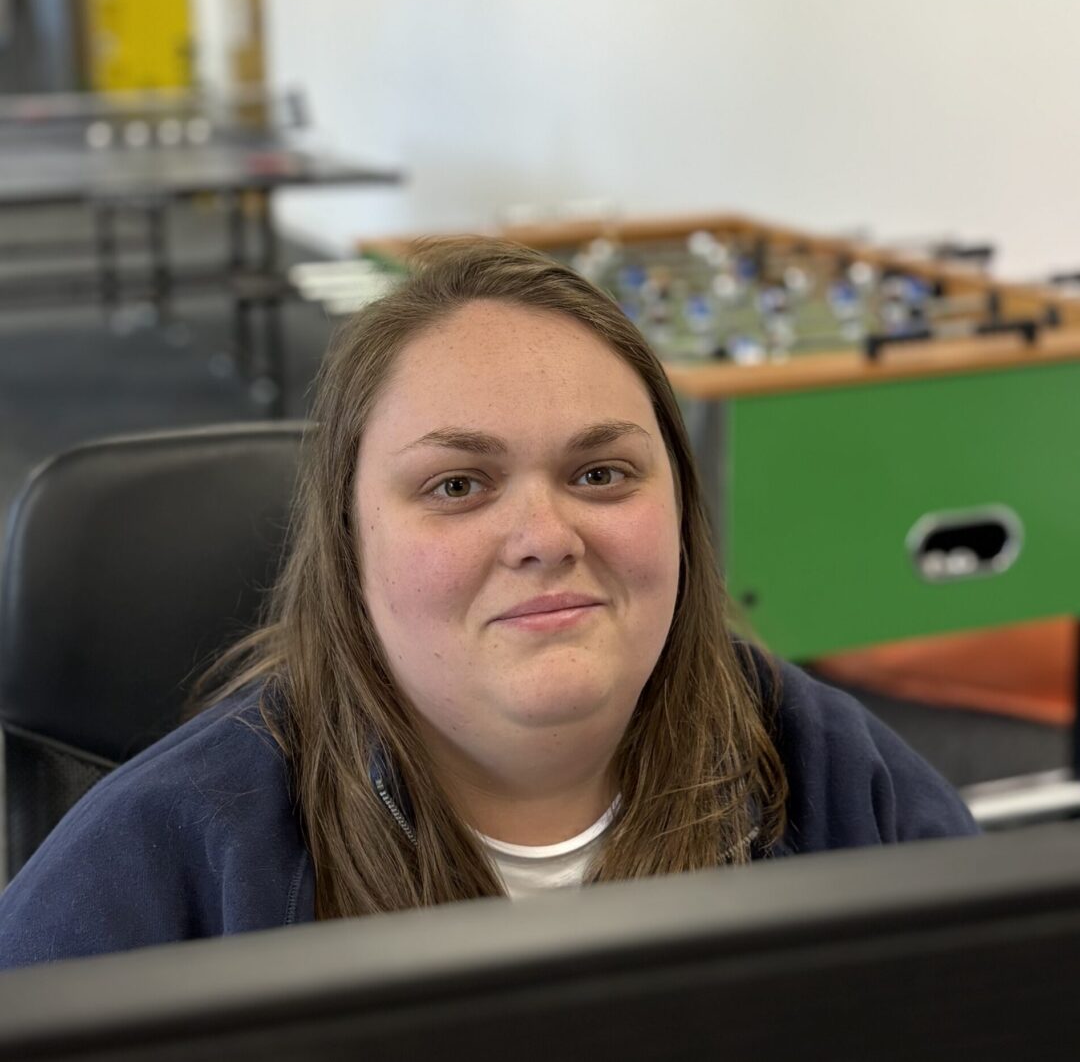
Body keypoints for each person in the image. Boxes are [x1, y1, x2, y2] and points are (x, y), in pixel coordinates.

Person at [0, 239, 977, 970]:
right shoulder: (169, 857)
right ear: (347, 542)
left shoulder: (835, 776)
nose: (547, 535)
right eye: (458, 486)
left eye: (601, 473)